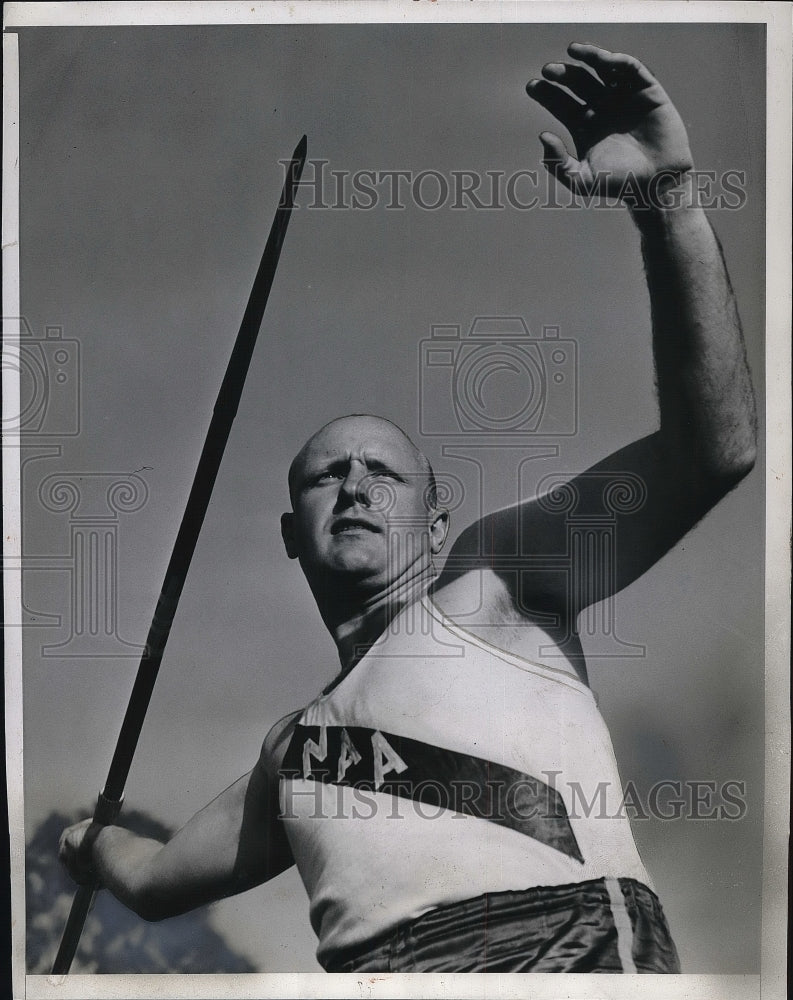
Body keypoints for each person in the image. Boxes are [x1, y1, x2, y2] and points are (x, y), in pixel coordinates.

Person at [59, 43, 756, 973]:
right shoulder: (292, 749)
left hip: (556, 951)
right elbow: (152, 881)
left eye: (381, 474)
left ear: (434, 524)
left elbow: (712, 453)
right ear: (289, 536)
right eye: (325, 476)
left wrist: (664, 202)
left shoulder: (490, 583)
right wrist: (86, 841)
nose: (351, 487)